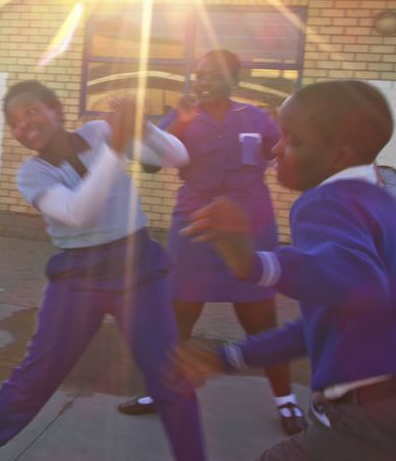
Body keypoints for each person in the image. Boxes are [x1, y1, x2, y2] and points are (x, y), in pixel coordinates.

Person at [171, 80, 396, 460]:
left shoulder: (324, 201)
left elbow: (362, 282)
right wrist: (226, 358)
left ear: (338, 156)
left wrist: (256, 262)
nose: (276, 150)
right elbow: (323, 325)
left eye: (293, 141)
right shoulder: (381, 204)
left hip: (367, 421)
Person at [0, 81, 205, 461]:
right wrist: (115, 146)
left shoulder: (98, 132)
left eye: (31, 111)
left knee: (169, 374)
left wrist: (143, 126)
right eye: (15, 123)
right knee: (40, 371)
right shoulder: (31, 175)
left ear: (56, 110)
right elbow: (78, 214)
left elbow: (178, 157)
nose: (25, 126)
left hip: (137, 268)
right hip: (78, 278)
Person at [118, 49, 306, 435]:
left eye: (213, 76)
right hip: (194, 231)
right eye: (198, 75)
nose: (202, 83)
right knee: (176, 320)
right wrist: (168, 122)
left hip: (250, 230)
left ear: (234, 80)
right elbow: (151, 163)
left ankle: (286, 402)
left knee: (261, 321)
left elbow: (284, 153)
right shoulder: (183, 117)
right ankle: (161, 392)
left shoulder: (256, 118)